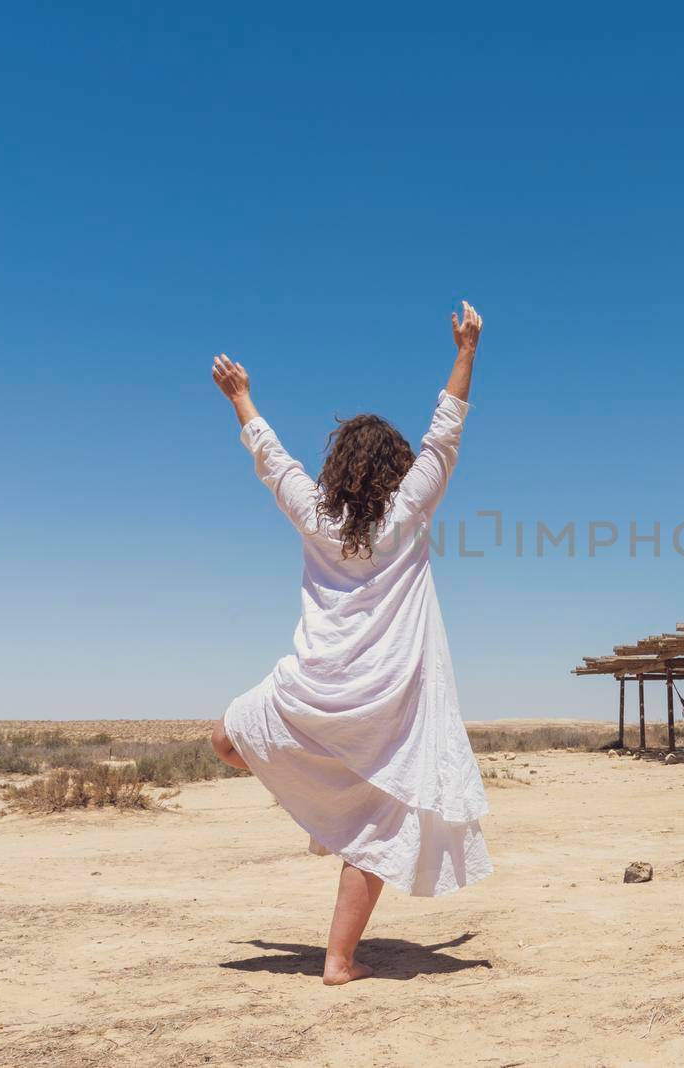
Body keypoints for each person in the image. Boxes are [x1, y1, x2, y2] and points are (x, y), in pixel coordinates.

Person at [208, 302, 491, 985]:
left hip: (314, 686)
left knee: (225, 737)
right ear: (394, 468)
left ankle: (316, 805)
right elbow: (444, 433)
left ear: (338, 466)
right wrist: (466, 349)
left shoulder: (316, 516)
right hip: (389, 701)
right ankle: (339, 961)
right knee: (375, 826)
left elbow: (273, 463)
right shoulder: (409, 511)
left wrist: (241, 397)